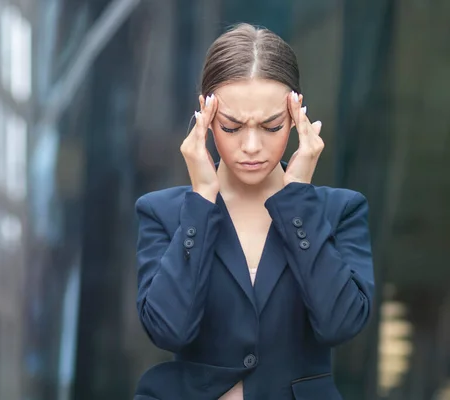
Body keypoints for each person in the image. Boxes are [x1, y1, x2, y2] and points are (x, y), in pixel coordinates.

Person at [133, 23, 375, 400]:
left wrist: (298, 203)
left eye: (271, 126)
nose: (251, 145)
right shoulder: (163, 213)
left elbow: (340, 325)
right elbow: (169, 330)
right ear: (206, 116)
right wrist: (201, 201)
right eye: (231, 127)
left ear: (295, 116)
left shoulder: (339, 210)